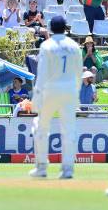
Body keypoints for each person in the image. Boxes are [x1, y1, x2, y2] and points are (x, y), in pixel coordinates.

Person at [28, 16, 82, 178]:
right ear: (66, 28)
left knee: (41, 126)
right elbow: (78, 73)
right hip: (70, 90)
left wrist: (36, 96)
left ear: (51, 28)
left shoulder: (47, 45)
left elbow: (42, 73)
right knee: (69, 130)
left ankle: (42, 167)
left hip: (50, 90)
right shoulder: (74, 46)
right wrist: (76, 93)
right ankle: (67, 169)